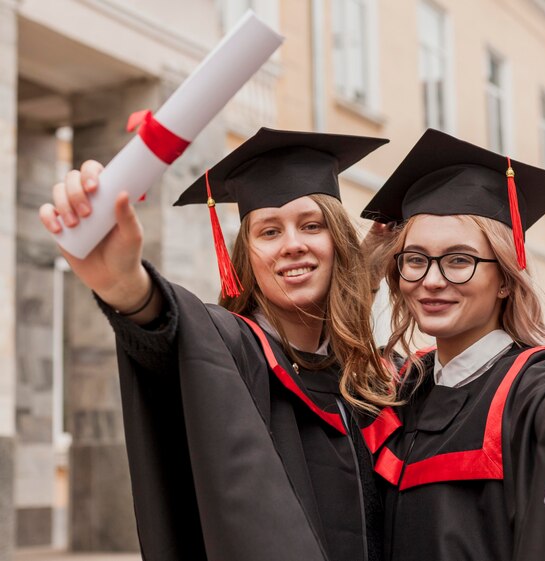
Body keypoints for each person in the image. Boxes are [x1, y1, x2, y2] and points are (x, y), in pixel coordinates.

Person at [39, 128, 400, 561]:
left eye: (311, 225)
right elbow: (176, 331)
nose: (292, 245)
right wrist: (127, 288)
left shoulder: (367, 377)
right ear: (245, 255)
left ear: (339, 242)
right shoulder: (234, 349)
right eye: (269, 232)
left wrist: (366, 280)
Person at [360, 129, 545, 561]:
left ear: (504, 278)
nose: (431, 279)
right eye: (415, 259)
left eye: (459, 260)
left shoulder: (534, 382)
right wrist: (364, 273)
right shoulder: (404, 389)